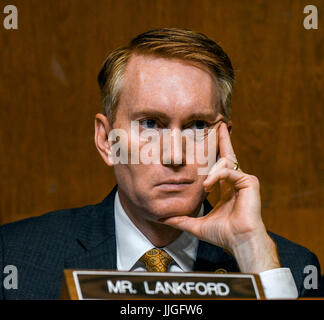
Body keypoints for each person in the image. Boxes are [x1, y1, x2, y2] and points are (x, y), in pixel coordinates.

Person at [0, 28, 321, 300]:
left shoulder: (288, 270)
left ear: (224, 143)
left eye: (198, 126)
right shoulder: (15, 259)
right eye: (151, 123)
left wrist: (252, 250)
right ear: (106, 140)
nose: (175, 156)